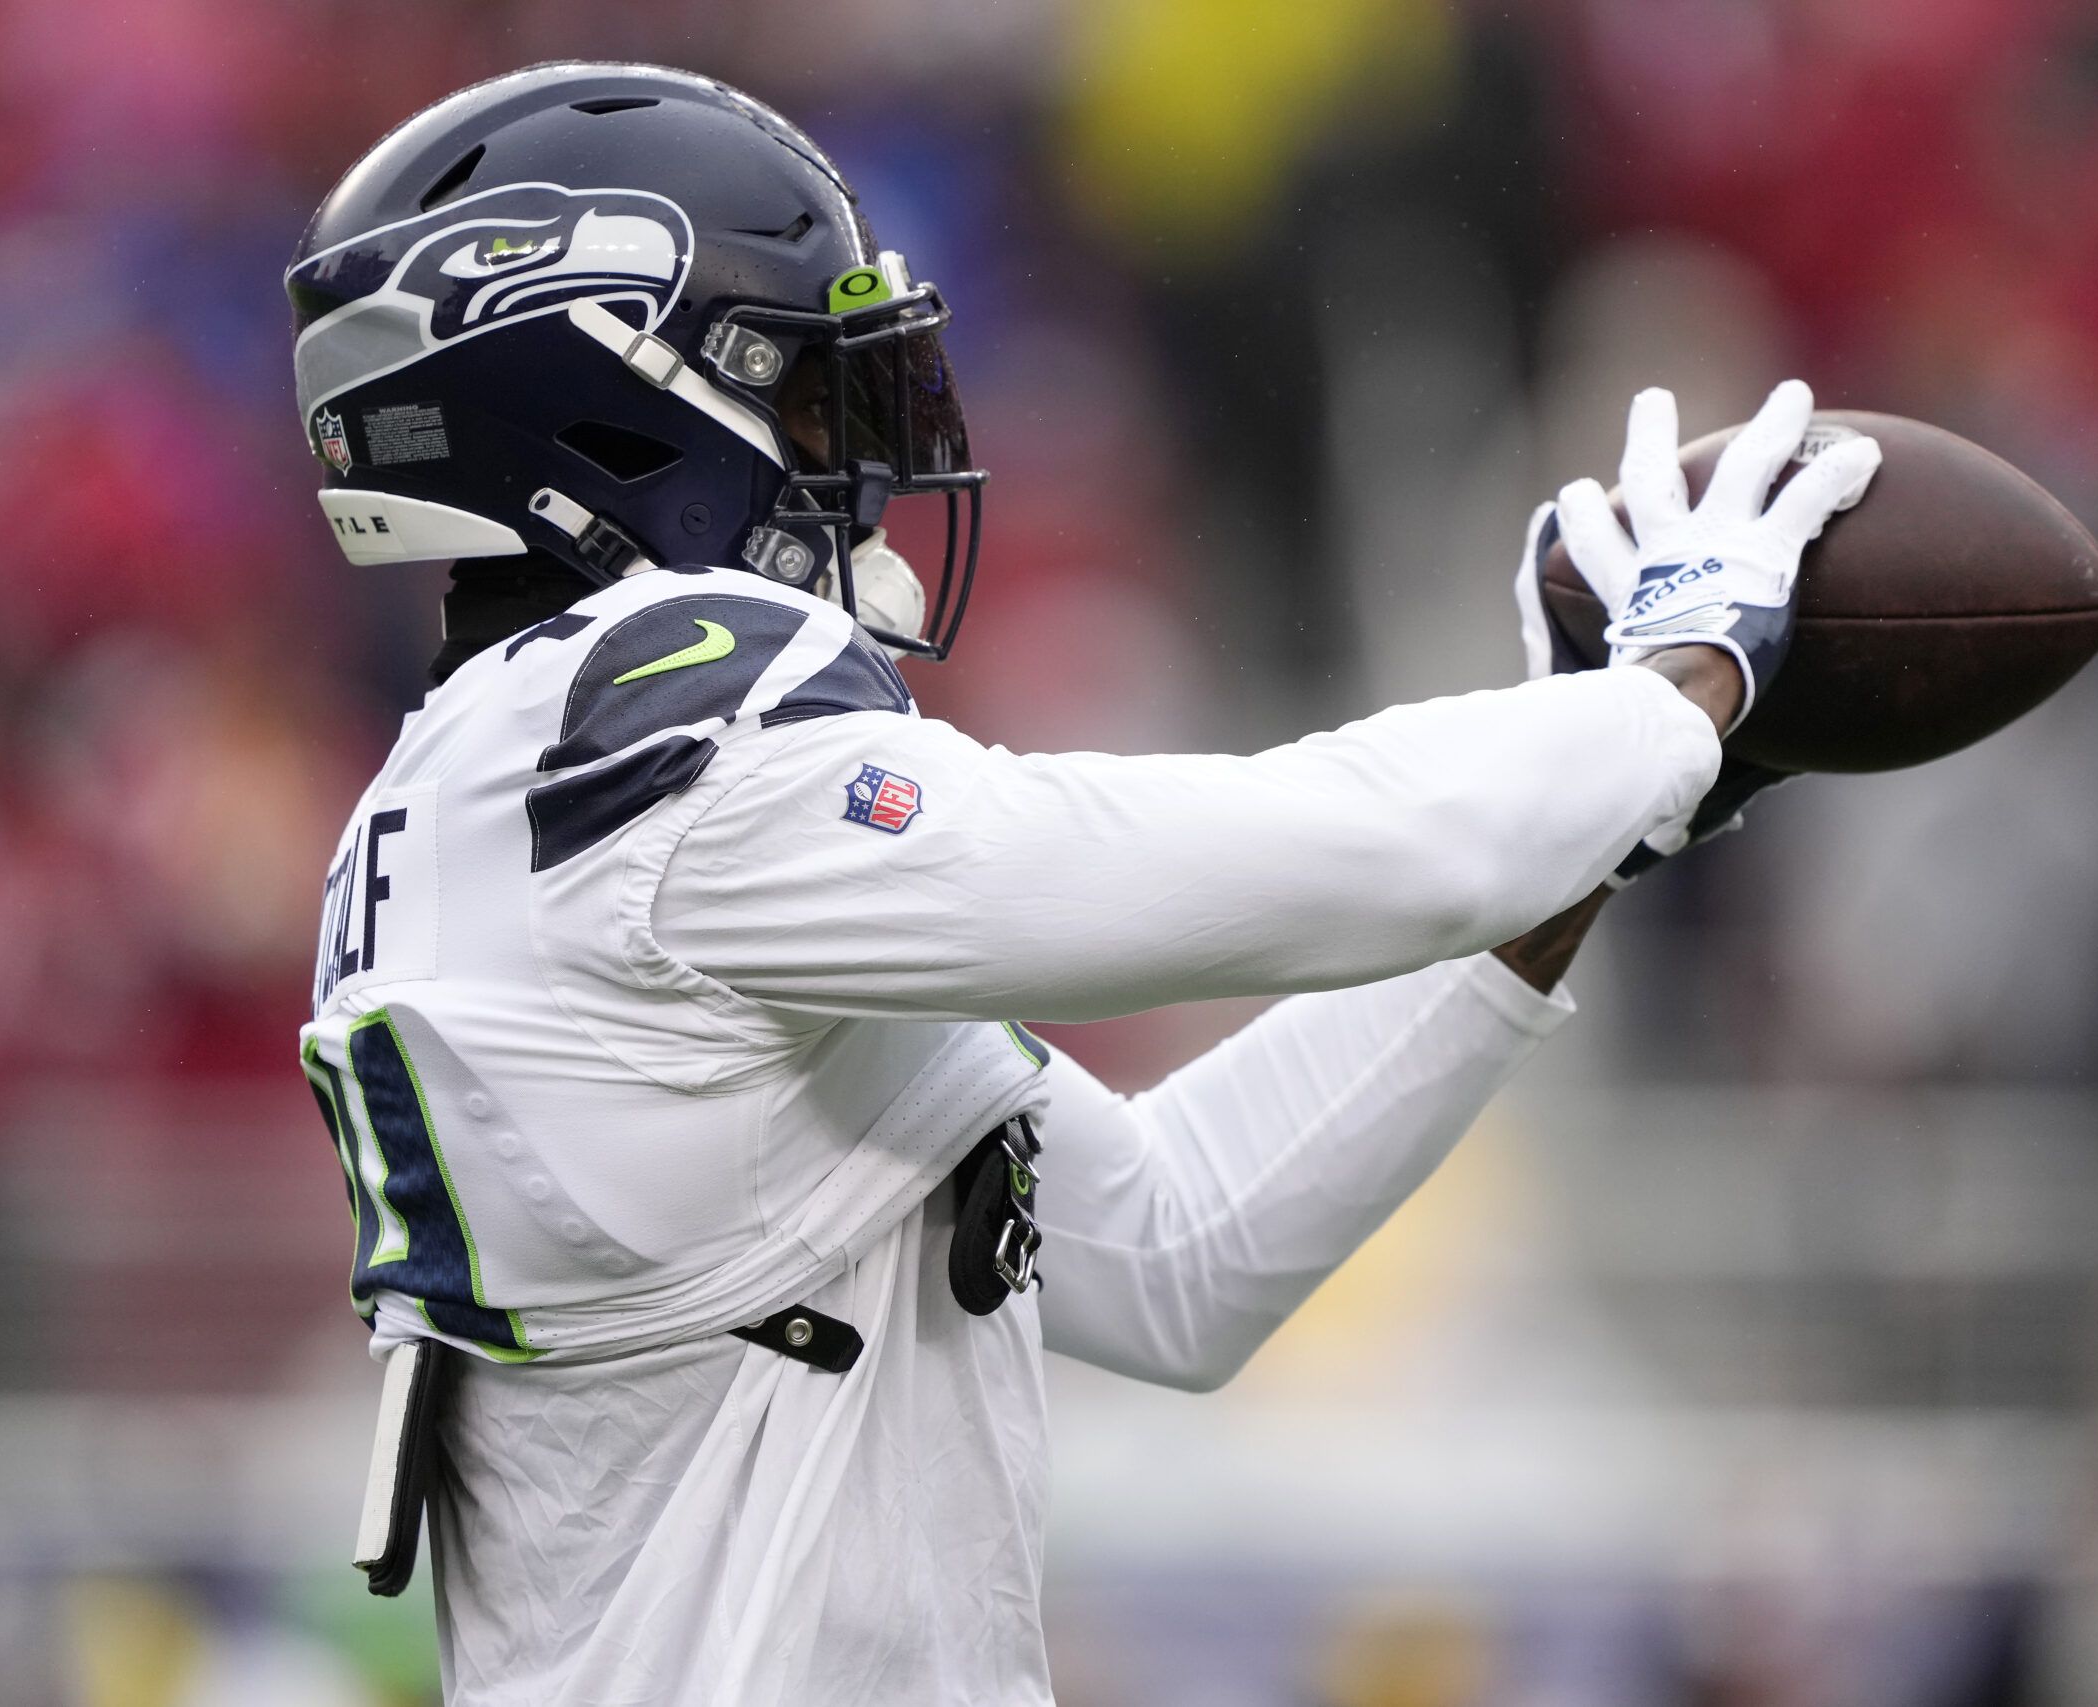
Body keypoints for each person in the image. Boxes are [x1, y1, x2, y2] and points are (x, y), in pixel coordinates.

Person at [290, 62, 1879, 1707]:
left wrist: (1591, 819)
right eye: (816, 398)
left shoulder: (493, 800)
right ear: (610, 400)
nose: (868, 460)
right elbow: (1221, 866)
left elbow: (1186, 1253)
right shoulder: (644, 736)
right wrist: (1653, 703)